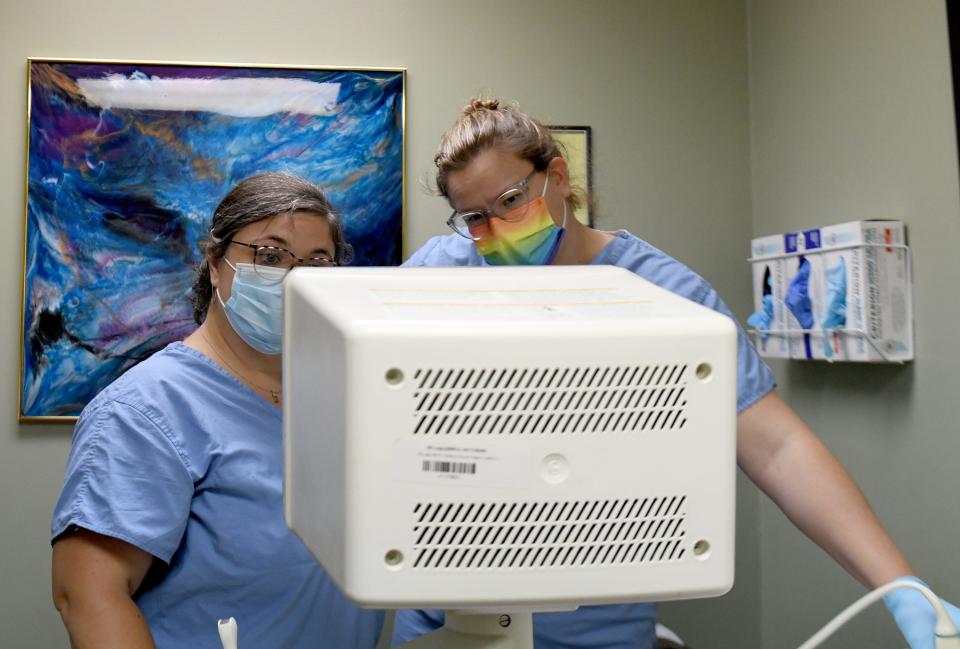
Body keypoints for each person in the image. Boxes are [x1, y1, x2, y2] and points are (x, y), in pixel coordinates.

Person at [391, 98, 959, 649]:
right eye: (475, 218)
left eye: (511, 200)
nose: (495, 232)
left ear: (558, 177)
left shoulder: (661, 294)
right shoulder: (445, 272)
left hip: (596, 616)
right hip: (448, 609)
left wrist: (903, 589)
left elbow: (778, 447)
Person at [51, 173, 384, 649]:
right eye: (269, 257)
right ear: (214, 263)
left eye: (318, 262)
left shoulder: (338, 397)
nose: (296, 279)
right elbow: (86, 594)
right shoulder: (146, 409)